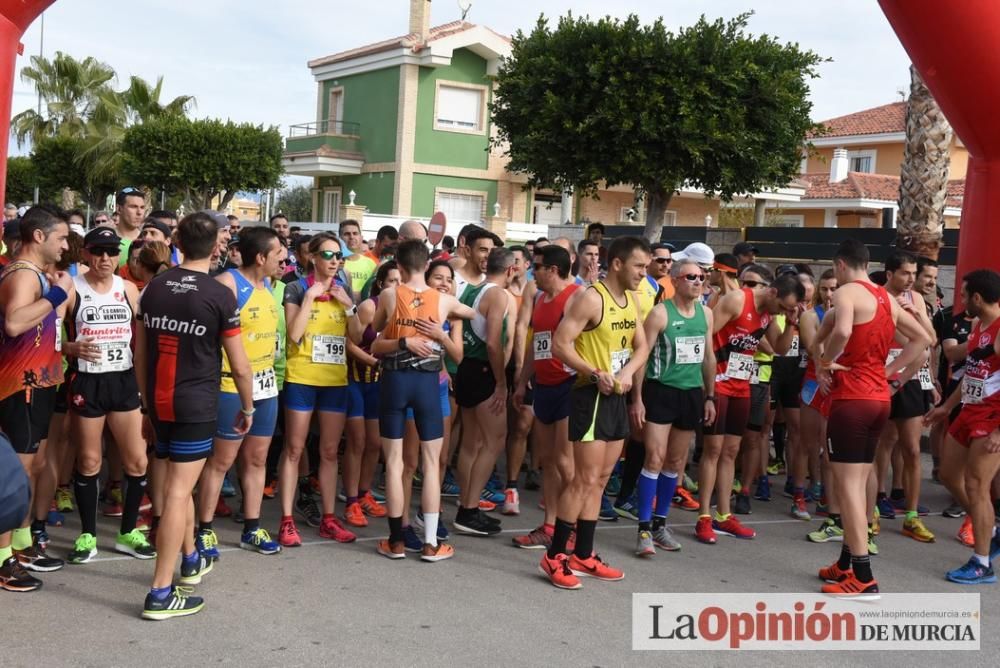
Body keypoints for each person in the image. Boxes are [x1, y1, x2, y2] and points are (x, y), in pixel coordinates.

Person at [134, 211, 255, 619]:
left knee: (176, 488)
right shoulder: (221, 294)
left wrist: (146, 404)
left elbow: (141, 353)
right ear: (217, 245)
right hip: (195, 402)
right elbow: (240, 365)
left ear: (177, 243)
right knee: (178, 492)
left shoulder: (153, 288)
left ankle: (189, 559)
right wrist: (248, 405)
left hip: (160, 399)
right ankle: (160, 592)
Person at [814, 238, 929, 598]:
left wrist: (826, 360)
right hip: (879, 398)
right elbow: (923, 340)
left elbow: (843, 331)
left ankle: (863, 576)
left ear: (841, 265)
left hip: (852, 399)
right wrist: (892, 372)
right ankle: (847, 561)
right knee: (860, 479)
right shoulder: (885, 297)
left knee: (846, 485)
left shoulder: (847, 292)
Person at [540, 236, 651, 590]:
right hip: (590, 396)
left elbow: (642, 345)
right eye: (639, 266)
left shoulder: (631, 299)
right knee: (583, 479)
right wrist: (594, 372)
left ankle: (583, 554)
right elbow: (559, 343)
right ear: (617, 264)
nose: (643, 274)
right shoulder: (591, 297)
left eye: (646, 267)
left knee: (601, 480)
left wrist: (627, 373)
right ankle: (555, 555)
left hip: (616, 395)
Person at [366, 239, 475, 560]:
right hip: (428, 384)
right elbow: (472, 312)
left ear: (398, 266)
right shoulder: (443, 301)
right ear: (427, 266)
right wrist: (448, 311)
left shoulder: (388, 294)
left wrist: (402, 334)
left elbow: (374, 336)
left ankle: (396, 541)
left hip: (395, 383)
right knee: (430, 464)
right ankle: (430, 543)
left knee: (395, 462)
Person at [63, 227, 154, 564]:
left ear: (120, 255)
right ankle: (87, 535)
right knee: (89, 461)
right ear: (86, 253)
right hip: (88, 383)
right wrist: (69, 347)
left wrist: (143, 385)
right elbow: (47, 337)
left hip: (124, 381)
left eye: (111, 252)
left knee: (137, 460)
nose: (105, 259)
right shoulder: (73, 288)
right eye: (98, 252)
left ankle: (128, 532)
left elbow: (142, 341)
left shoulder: (128, 288)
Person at [194, 227, 284, 561]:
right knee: (221, 461)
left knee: (257, 458)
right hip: (231, 384)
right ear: (260, 257)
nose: (284, 260)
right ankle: (204, 529)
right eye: (278, 254)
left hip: (265, 383)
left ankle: (252, 527)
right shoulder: (228, 284)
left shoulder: (271, 285)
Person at [696, 265, 803, 544]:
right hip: (718, 381)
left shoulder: (771, 313)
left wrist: (792, 323)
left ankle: (724, 514)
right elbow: (706, 336)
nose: (782, 311)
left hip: (743, 384)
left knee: (732, 450)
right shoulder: (737, 300)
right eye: (783, 306)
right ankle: (704, 516)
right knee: (713, 449)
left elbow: (778, 350)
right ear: (773, 291)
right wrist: (707, 385)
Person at [0, 205, 72, 592]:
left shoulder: (36, 275)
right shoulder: (23, 274)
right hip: (21, 386)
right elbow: (14, 323)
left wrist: (69, 347)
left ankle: (23, 544)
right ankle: (3, 558)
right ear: (39, 237)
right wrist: (60, 292)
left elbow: (36, 332)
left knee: (37, 464)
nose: (66, 244)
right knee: (16, 475)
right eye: (61, 237)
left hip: (40, 384)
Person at [277, 233, 364, 548]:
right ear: (312, 257)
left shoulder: (344, 289)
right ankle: (286, 520)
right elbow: (294, 336)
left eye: (337, 255)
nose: (333, 261)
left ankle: (329, 518)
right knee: (294, 449)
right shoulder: (296, 288)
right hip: (302, 377)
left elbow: (356, 335)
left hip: (334, 380)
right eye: (327, 255)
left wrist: (349, 307)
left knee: (329, 451)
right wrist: (311, 298)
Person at [629, 258, 716, 556]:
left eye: (701, 277)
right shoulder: (659, 314)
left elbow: (708, 357)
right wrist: (637, 398)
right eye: (691, 276)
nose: (697, 281)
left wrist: (710, 396)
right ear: (676, 280)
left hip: (691, 393)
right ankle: (643, 529)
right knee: (654, 458)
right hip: (660, 391)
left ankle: (660, 525)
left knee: (675, 464)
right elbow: (641, 356)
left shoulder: (706, 313)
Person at [926, 269, 1000, 584]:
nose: (961, 300)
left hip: (992, 418)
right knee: (947, 475)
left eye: (964, 294)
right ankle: (990, 527)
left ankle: (982, 563)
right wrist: (945, 408)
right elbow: (972, 374)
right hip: (968, 411)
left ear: (977, 298)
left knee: (976, 486)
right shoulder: (979, 327)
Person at [511, 244, 580, 548]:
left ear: (553, 269)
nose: (531, 272)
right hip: (544, 385)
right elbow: (536, 343)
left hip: (570, 385)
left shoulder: (576, 298)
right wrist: (522, 380)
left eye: (536, 267)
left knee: (566, 462)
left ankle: (573, 527)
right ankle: (550, 526)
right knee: (548, 460)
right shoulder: (540, 298)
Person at [875, 250, 937, 542]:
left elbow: (931, 340)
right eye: (905, 273)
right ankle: (875, 503)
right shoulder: (876, 296)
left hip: (909, 377)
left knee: (911, 448)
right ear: (890, 274)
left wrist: (912, 314)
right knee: (882, 443)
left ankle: (910, 516)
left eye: (914, 273)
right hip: (882, 374)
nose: (911, 279)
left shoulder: (915, 301)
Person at [454, 247, 516, 536]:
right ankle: (468, 509)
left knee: (471, 441)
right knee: (495, 440)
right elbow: (493, 343)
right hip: (483, 370)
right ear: (511, 270)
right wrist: (501, 382)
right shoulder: (499, 295)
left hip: (466, 367)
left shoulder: (472, 290)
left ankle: (465, 506)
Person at [342, 262, 397, 529]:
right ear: (380, 284)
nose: (397, 287)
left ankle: (364, 494)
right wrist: (373, 361)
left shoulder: (403, 309)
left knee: (375, 443)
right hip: (355, 379)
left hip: (379, 383)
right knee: (357, 441)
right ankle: (350, 499)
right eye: (392, 281)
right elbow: (349, 341)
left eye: (401, 281)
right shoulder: (369, 307)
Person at [340, 219, 376, 296]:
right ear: (340, 238)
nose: (351, 237)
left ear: (361, 238)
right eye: (347, 234)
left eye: (355, 233)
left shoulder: (371, 263)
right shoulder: (335, 263)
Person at [115, 187, 146, 267]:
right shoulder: (105, 240)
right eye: (133, 207)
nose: (139, 212)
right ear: (118, 209)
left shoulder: (148, 241)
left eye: (142, 207)